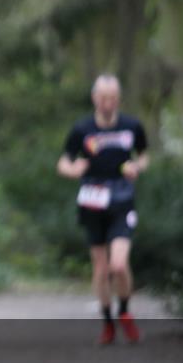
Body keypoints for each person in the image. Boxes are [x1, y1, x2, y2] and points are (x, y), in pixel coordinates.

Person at [57, 74, 148, 345]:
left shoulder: (132, 126)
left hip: (121, 200)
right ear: (95, 98)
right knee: (100, 265)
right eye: (102, 97)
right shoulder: (82, 129)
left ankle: (125, 311)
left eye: (112, 97)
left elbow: (143, 155)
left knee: (118, 264)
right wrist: (73, 170)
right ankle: (108, 322)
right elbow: (63, 162)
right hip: (92, 200)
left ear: (118, 99)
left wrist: (137, 167)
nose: (107, 102)